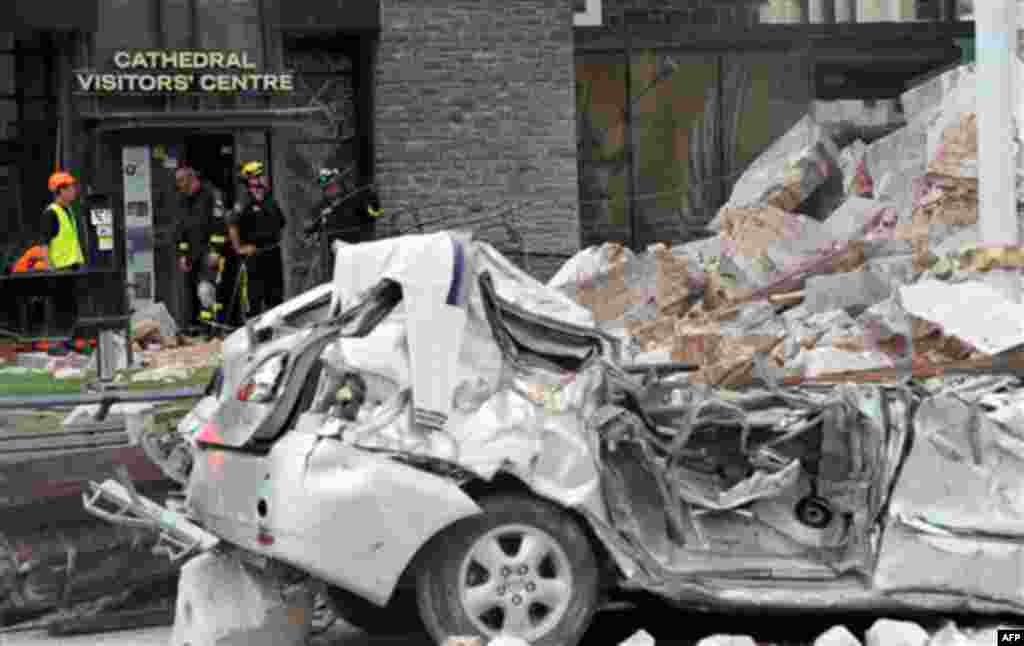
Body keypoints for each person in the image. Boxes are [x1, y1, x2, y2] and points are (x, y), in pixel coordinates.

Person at [228, 162, 286, 318]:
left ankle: (275, 333)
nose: (264, 179)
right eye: (260, 176)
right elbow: (232, 225)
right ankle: (253, 335)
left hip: (273, 253)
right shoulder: (244, 202)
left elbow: (281, 222)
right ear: (252, 180)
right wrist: (239, 248)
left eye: (263, 176)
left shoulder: (270, 199)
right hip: (254, 256)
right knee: (254, 298)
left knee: (275, 297)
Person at [174, 166, 228, 331]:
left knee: (206, 291)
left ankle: (215, 328)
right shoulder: (184, 199)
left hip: (210, 251)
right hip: (193, 254)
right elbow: (182, 229)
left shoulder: (212, 195)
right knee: (198, 294)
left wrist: (215, 250)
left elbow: (220, 225)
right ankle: (206, 328)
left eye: (182, 183)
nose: (180, 187)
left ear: (192, 179)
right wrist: (183, 254)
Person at [304, 166, 383, 278]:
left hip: (356, 253)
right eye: (326, 188)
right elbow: (309, 233)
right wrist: (313, 233)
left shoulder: (355, 200)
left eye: (333, 185)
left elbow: (375, 214)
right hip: (332, 260)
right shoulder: (320, 208)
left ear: (339, 184)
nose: (330, 189)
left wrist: (373, 199)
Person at [36, 171, 86, 328]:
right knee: (60, 307)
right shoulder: (51, 212)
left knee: (71, 307)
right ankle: (57, 343)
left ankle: (70, 340)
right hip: (59, 268)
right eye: (71, 189)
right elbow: (44, 242)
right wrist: (48, 265)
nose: (74, 191)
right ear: (61, 191)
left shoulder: (68, 210)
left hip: (72, 266)